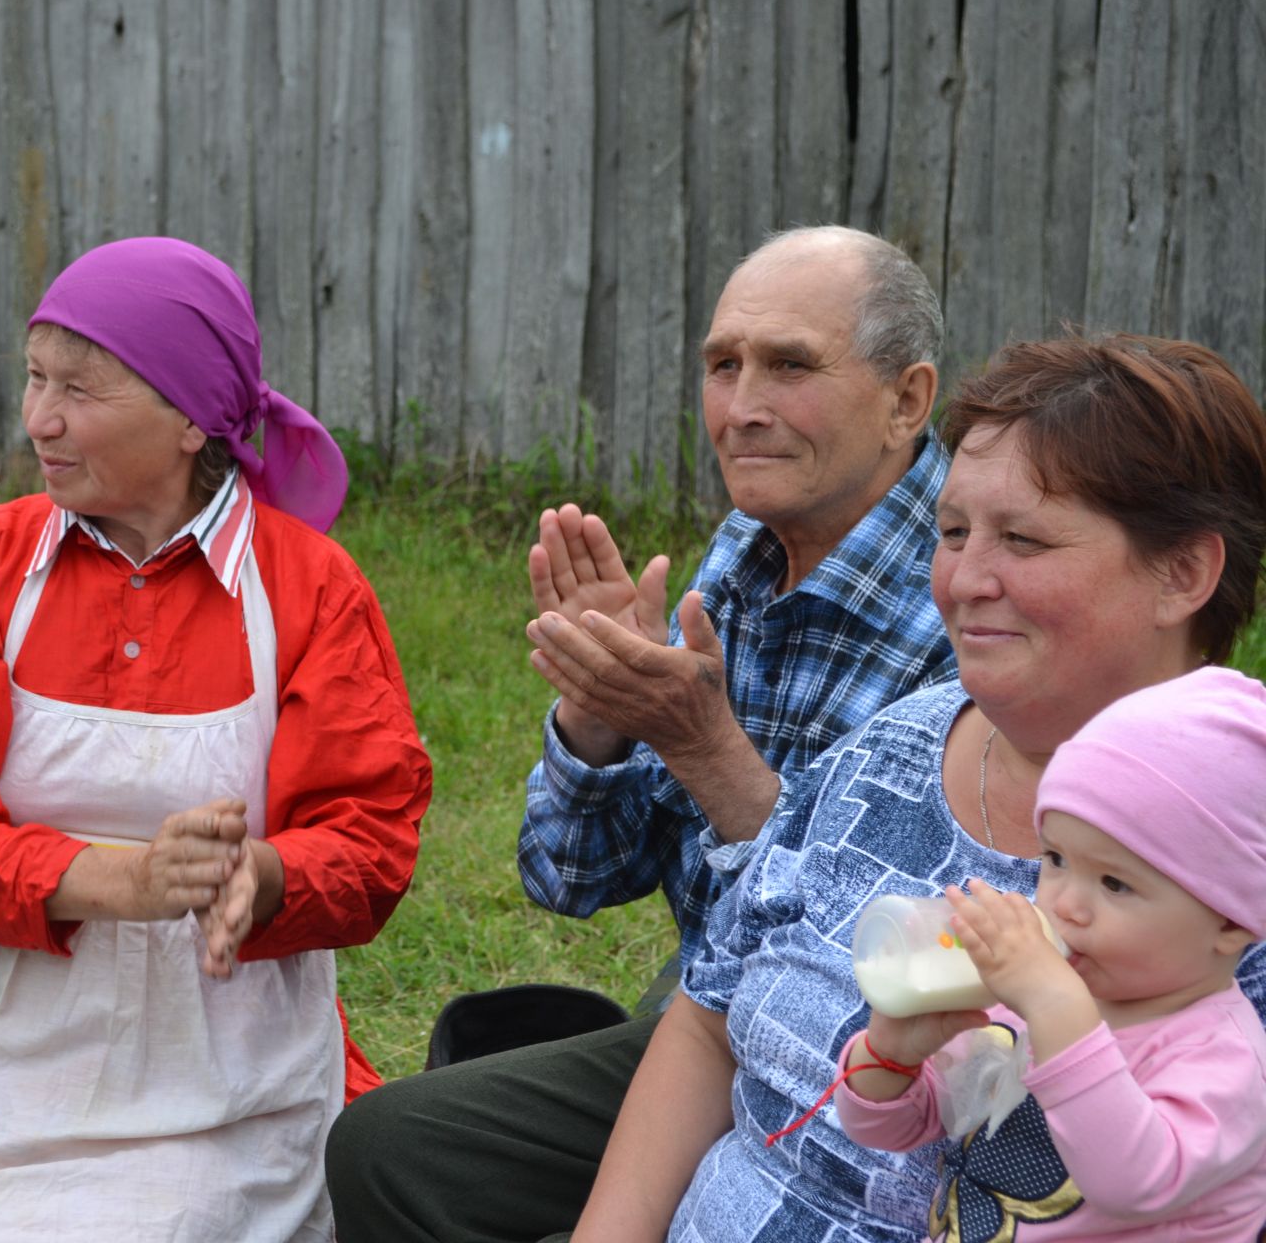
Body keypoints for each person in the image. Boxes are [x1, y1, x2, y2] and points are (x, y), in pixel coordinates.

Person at [328, 225, 957, 1243]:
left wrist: (706, 747)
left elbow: (880, 964)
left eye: (790, 365)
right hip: (711, 1010)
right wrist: (602, 715)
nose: (742, 406)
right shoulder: (748, 551)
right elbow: (568, 877)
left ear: (907, 398)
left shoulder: (971, 598)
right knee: (389, 1148)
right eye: (723, 365)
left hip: (883, 1083)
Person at [566, 334, 1266, 1242]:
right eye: (951, 533)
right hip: (715, 1197)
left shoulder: (1230, 859)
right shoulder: (901, 738)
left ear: (1183, 573)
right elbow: (713, 1007)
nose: (966, 581)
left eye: (1023, 538)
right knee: (398, 1151)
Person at [0, 236, 431, 1242]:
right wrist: (128, 882)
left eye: (81, 388)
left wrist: (265, 875)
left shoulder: (308, 587)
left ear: (193, 416)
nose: (39, 418)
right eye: (33, 377)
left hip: (216, 1049)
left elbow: (369, 837)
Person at [837, 666, 1266, 1241]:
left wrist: (1054, 1004)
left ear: (1232, 923)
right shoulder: (1032, 996)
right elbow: (895, 1127)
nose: (1064, 904)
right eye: (1056, 859)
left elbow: (1134, 1181)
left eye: (1114, 884)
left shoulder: (1225, 1062)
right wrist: (890, 1055)